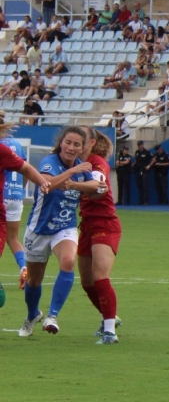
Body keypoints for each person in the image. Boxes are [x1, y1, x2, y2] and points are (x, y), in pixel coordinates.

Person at [19, 126, 100, 337]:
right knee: (34, 281)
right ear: (60, 143)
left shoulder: (83, 168)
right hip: (38, 229)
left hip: (64, 228)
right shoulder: (49, 162)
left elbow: (95, 186)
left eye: (77, 145)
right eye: (68, 142)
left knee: (68, 262)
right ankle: (32, 315)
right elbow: (46, 184)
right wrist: (72, 173)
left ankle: (52, 316)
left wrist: (75, 184)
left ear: (82, 148)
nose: (71, 148)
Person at [77, 128, 122, 344]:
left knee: (100, 276)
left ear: (91, 142)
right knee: (87, 282)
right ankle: (110, 317)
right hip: (86, 225)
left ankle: (110, 331)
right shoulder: (75, 164)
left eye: (80, 139)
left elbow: (98, 189)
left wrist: (73, 185)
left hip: (104, 222)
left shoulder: (97, 163)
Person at [0, 120, 50, 301]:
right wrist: (24, 189)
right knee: (12, 238)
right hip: (15, 196)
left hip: (2, 197)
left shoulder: (2, 149)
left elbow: (25, 168)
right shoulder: (15, 145)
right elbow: (25, 170)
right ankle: (23, 267)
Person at [133, 140, 152, 204]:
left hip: (144, 171)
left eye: (140, 145)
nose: (139, 146)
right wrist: (133, 165)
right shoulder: (137, 152)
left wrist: (149, 165)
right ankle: (141, 200)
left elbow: (154, 159)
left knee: (145, 186)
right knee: (139, 186)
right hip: (138, 170)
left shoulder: (147, 152)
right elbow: (137, 160)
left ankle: (146, 201)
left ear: (142, 145)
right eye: (138, 145)